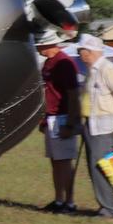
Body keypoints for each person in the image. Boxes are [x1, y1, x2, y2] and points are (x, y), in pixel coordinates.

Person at [73, 34, 113, 220]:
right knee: (94, 167)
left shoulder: (107, 69)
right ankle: (105, 207)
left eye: (82, 50)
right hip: (91, 124)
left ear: (92, 51)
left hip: (104, 126)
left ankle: (109, 210)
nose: (80, 53)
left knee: (101, 167)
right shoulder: (92, 69)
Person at [37, 30, 82, 213]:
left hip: (63, 117)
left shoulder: (64, 63)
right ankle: (58, 200)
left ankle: (70, 202)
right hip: (51, 117)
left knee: (65, 162)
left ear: (51, 44)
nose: (38, 48)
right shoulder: (48, 63)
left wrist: (70, 124)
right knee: (55, 161)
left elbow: (73, 95)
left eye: (40, 44)